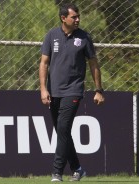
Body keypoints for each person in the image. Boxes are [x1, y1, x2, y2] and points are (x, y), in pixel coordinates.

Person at [39, 3, 105, 182]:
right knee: (62, 132)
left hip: (73, 91)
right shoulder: (51, 36)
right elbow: (44, 63)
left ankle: (56, 172)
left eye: (78, 16)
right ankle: (77, 168)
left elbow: (93, 64)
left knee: (62, 128)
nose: (77, 19)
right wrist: (44, 89)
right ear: (63, 18)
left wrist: (98, 90)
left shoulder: (84, 38)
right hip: (54, 91)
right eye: (74, 17)